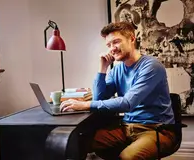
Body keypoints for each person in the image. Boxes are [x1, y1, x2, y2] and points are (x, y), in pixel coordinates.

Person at [60, 21, 176, 160]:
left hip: (156, 129)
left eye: (116, 42)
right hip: (127, 127)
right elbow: (99, 98)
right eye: (108, 45)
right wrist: (102, 69)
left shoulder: (152, 67)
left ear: (132, 39)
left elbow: (127, 103)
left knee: (127, 157)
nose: (112, 49)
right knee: (79, 142)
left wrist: (85, 104)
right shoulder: (117, 70)